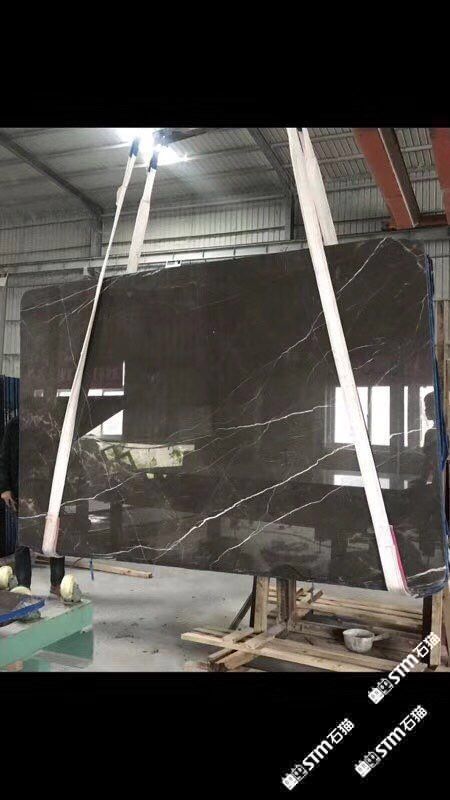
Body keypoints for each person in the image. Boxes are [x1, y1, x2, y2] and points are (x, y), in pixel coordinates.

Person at [0, 415, 65, 595]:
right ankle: (24, 586)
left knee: (56, 536)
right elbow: (4, 458)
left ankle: (57, 583)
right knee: (23, 540)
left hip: (49, 489)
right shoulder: (15, 425)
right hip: (22, 490)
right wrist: (4, 488)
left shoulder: (51, 421)